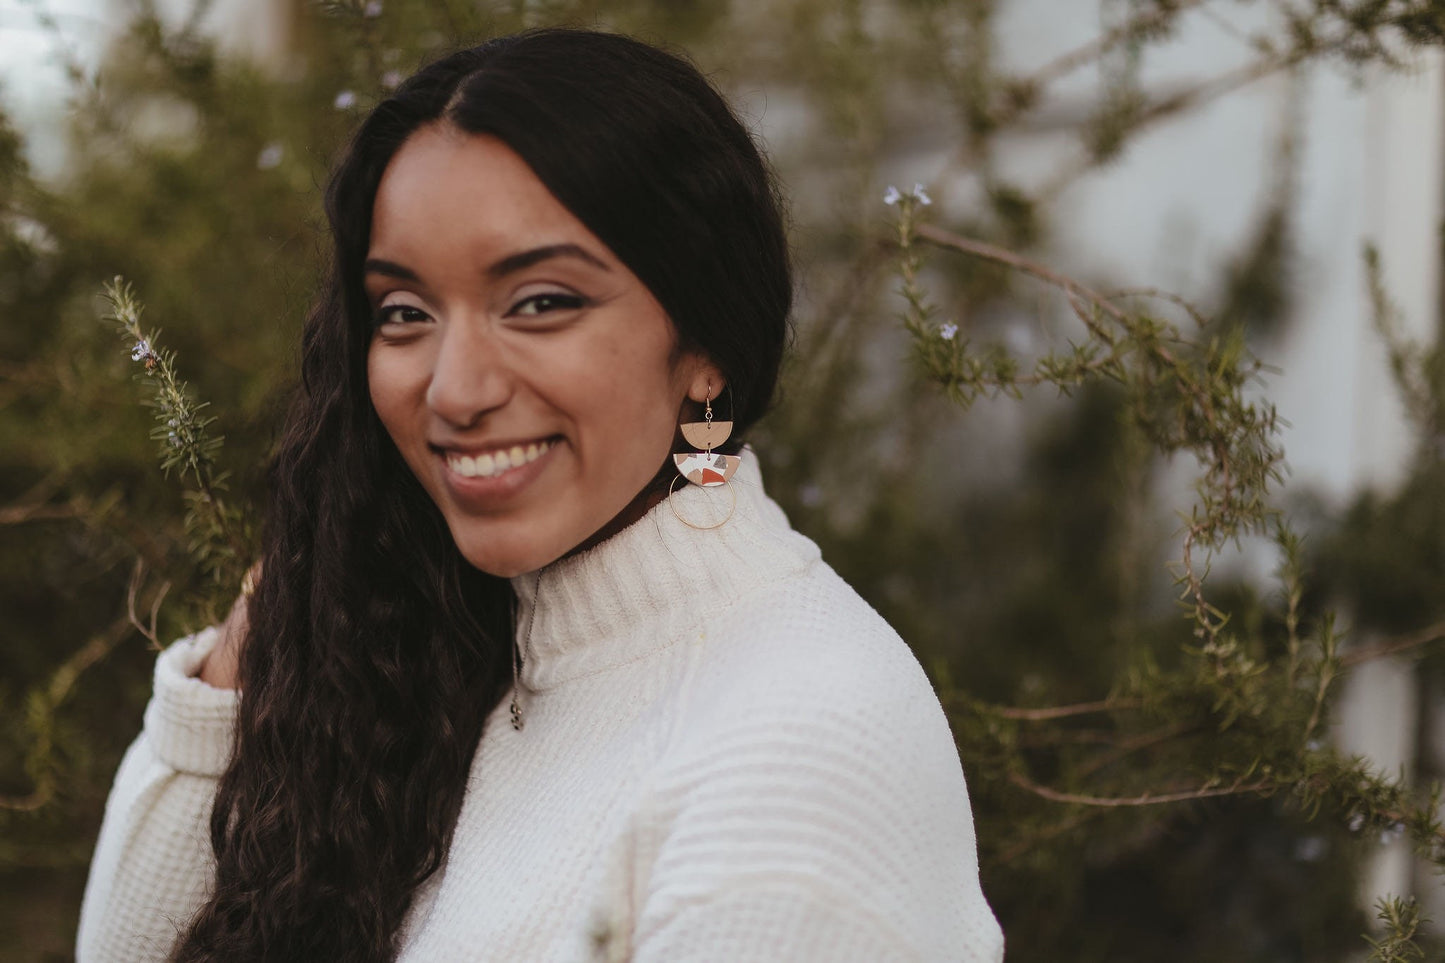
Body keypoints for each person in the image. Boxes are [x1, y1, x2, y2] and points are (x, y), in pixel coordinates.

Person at [76, 28, 1004, 963]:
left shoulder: (795, 761)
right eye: (404, 313)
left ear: (708, 342)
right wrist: (267, 643)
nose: (455, 389)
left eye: (541, 302)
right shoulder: (441, 653)